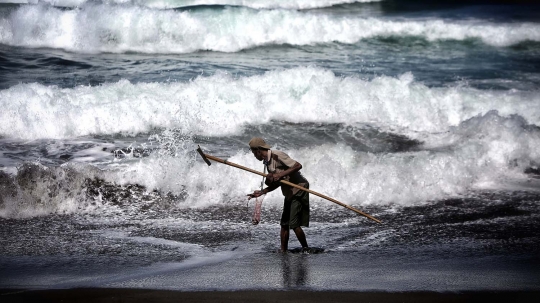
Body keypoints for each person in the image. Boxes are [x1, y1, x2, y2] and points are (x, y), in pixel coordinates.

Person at [247, 137, 310, 252]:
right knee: (284, 224)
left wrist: (281, 175)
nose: (254, 155)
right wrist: (262, 192)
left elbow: (298, 165)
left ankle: (306, 249)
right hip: (289, 192)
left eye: (253, 152)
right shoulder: (267, 163)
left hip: (299, 188)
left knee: (294, 224)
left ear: (258, 150)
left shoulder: (277, 155)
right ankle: (283, 251)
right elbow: (279, 182)